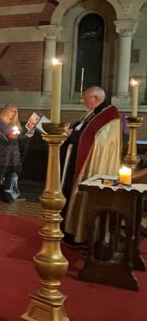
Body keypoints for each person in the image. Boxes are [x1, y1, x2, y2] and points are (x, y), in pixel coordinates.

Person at [62, 86, 121, 245]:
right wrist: (72, 131)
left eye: (85, 99)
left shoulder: (108, 116)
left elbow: (94, 141)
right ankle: (70, 230)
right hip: (76, 160)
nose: (83, 102)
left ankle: (84, 235)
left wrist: (71, 134)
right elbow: (84, 132)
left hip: (93, 167)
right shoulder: (94, 114)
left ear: (95, 99)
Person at [0, 104, 28, 203]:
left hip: (13, 150)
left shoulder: (15, 123)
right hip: (3, 149)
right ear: (6, 110)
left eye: (15, 111)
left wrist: (27, 135)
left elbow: (20, 137)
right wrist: (8, 136)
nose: (13, 113)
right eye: (11, 110)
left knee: (11, 172)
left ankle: (6, 193)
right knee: (0, 172)